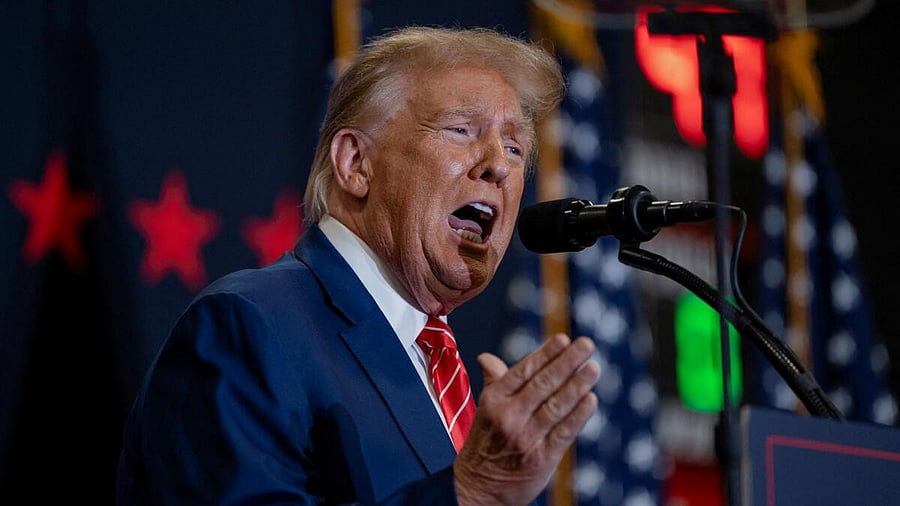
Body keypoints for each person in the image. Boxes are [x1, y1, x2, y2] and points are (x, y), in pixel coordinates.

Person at [116, 25, 601, 505]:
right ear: (355, 163)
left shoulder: (439, 369)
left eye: (515, 148)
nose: (498, 164)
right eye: (461, 130)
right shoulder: (249, 325)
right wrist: (470, 493)